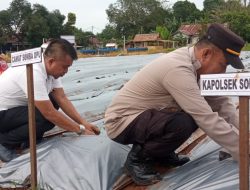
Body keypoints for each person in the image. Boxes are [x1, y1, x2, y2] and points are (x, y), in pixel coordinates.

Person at [105, 23, 245, 185]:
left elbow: (222, 105)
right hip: (122, 123)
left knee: (187, 118)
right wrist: (243, 151)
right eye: (223, 65)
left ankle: (161, 153)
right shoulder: (178, 68)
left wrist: (245, 135)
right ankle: (137, 159)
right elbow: (206, 118)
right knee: (184, 122)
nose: (222, 72)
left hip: (150, 118)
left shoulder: (198, 67)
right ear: (206, 54)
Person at [0, 39, 100, 162]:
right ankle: (4, 143)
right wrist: (80, 130)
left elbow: (61, 98)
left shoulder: (51, 71)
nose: (66, 72)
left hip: (13, 112)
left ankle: (30, 140)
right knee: (43, 117)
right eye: (65, 67)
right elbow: (49, 113)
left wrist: (83, 123)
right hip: (2, 113)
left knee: (53, 101)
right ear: (51, 61)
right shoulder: (34, 71)